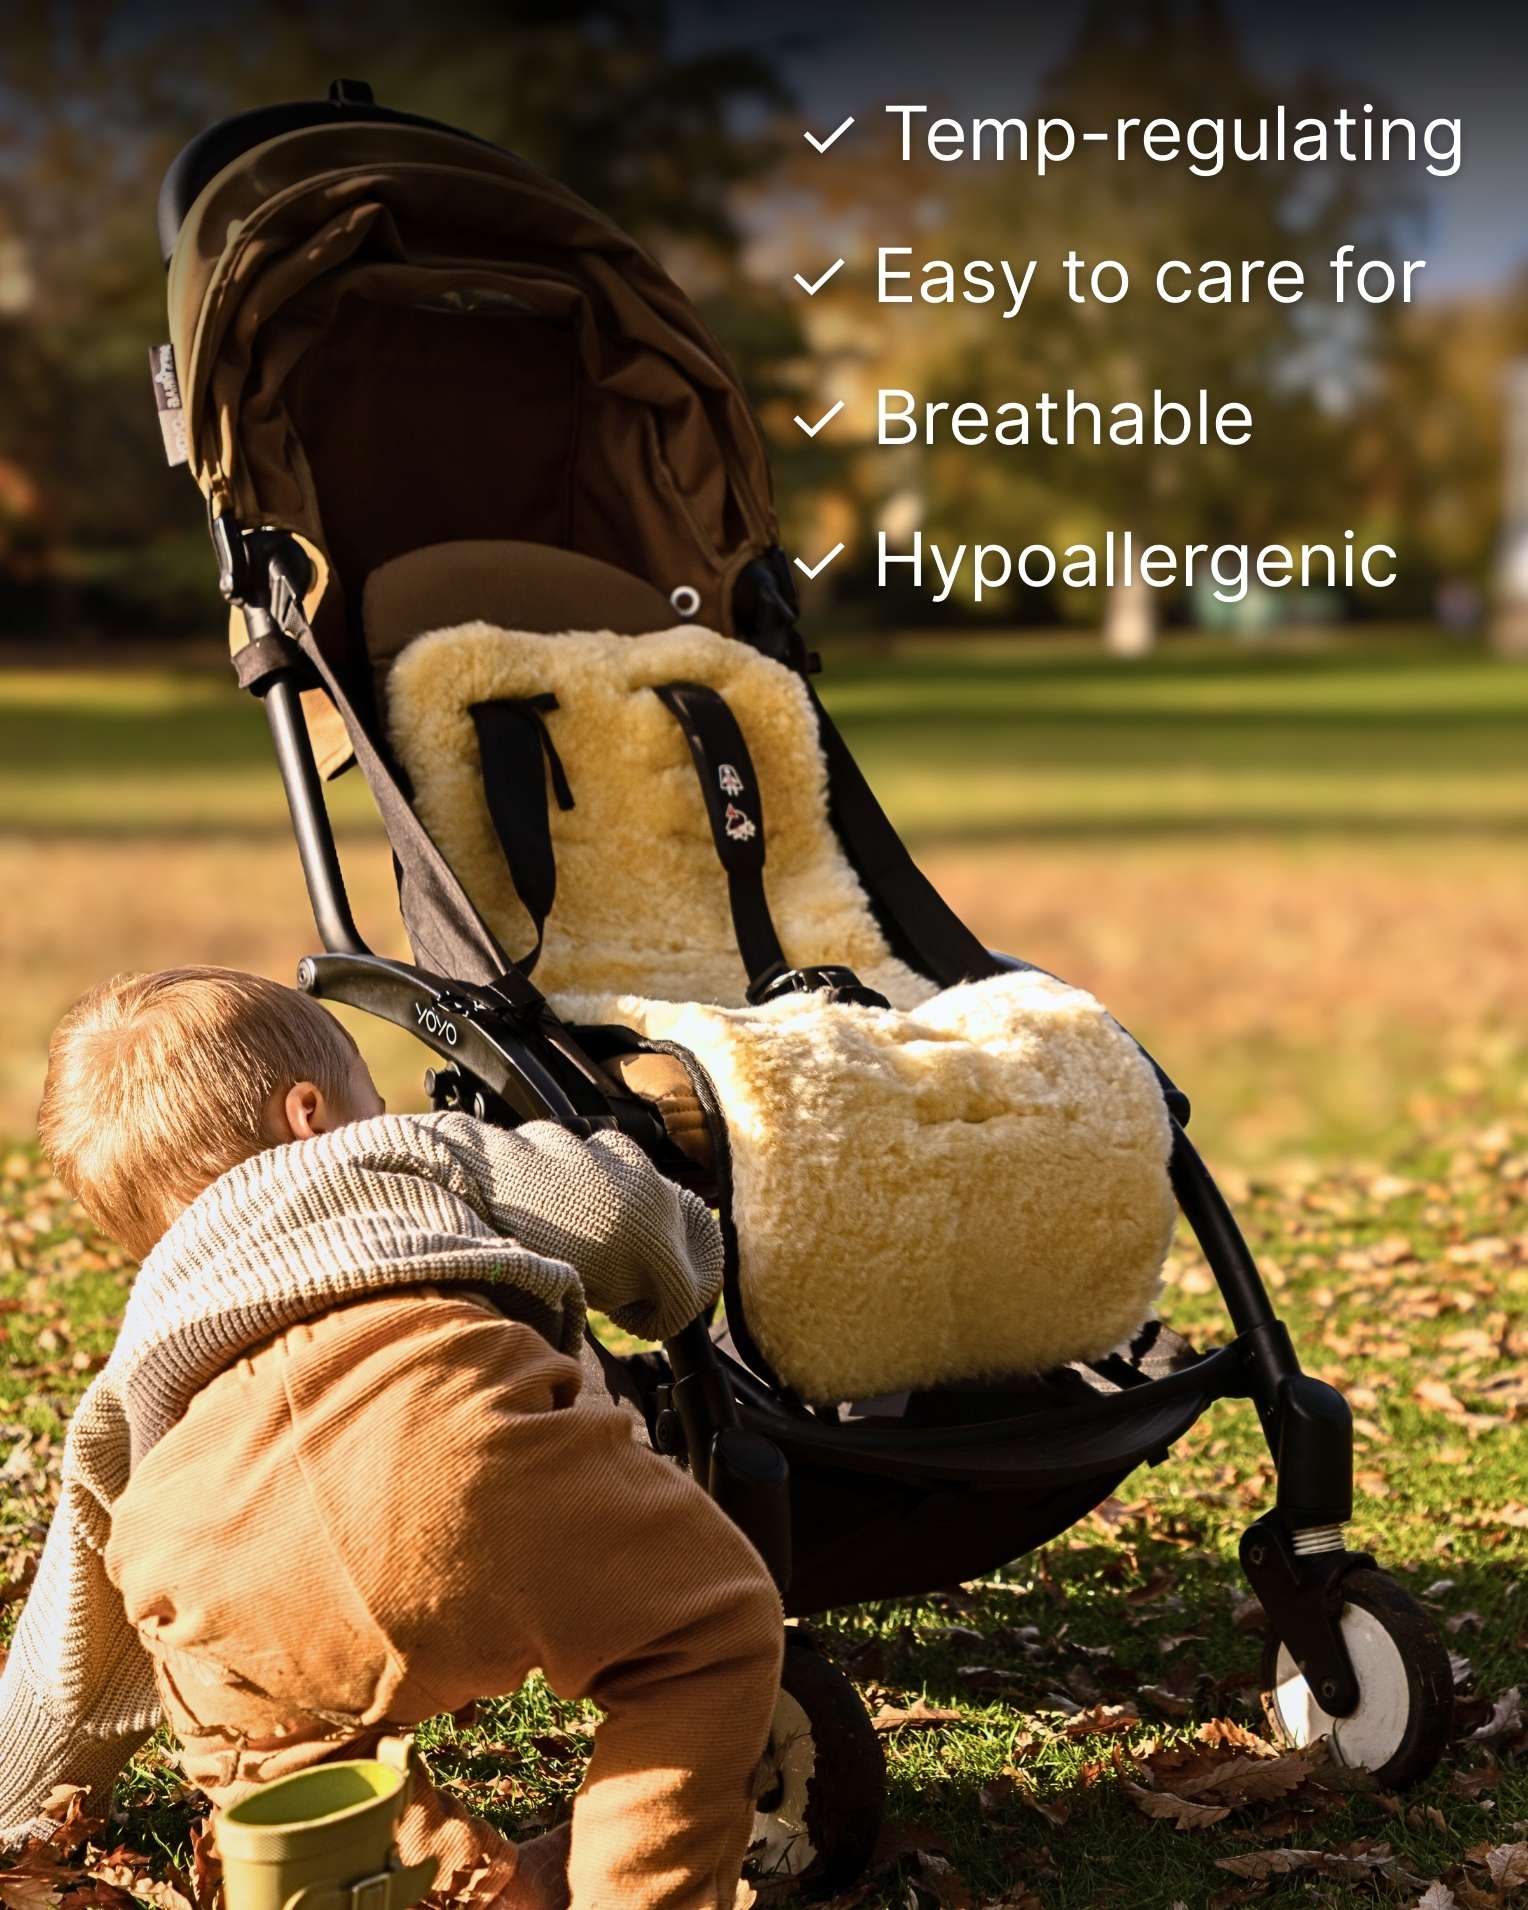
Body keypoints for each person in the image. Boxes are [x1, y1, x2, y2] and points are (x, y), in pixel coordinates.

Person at [0, 967, 781, 1910]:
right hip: (455, 1449)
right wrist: (684, 1243)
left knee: (266, 1744)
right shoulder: (412, 1148)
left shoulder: (140, 1346)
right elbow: (621, 1223)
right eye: (370, 1089)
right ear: (310, 1111)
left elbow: (71, 1635)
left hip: (223, 1554)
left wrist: (19, 1799)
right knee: (707, 1632)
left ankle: (461, 1886)